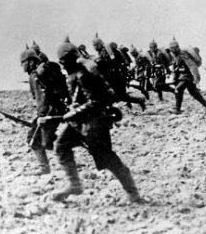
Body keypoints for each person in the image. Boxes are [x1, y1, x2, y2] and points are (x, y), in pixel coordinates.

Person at [43, 37, 143, 203]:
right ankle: (74, 184)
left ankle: (133, 194)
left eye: (63, 61)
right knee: (61, 145)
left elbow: (97, 102)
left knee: (107, 158)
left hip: (95, 123)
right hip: (81, 122)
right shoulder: (75, 74)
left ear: (70, 59)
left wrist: (73, 114)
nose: (61, 65)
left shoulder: (84, 75)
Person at [22, 49, 68, 175]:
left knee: (34, 139)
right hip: (53, 110)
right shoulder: (39, 73)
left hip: (49, 111)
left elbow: (44, 97)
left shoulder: (36, 75)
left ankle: (44, 168)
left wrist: (41, 116)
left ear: (31, 62)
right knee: (45, 140)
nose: (22, 66)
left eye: (23, 62)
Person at [92, 36, 146, 111]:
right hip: (114, 76)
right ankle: (134, 103)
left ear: (99, 45)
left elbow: (109, 63)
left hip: (116, 77)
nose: (94, 48)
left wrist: (99, 62)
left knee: (120, 96)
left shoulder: (105, 51)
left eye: (94, 46)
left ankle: (139, 100)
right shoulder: (103, 52)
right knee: (118, 96)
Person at [169, 38, 206, 114]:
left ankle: (177, 109)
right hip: (184, 75)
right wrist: (174, 77)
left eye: (173, 48)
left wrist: (196, 78)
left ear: (177, 47)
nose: (172, 50)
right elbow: (176, 66)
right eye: (171, 48)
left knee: (178, 89)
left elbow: (192, 66)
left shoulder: (182, 54)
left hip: (188, 76)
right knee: (194, 93)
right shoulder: (176, 55)